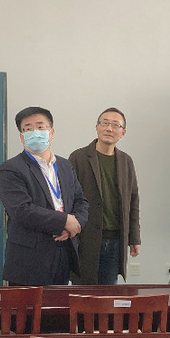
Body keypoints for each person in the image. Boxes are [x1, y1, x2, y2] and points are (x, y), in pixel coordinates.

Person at [0, 106, 89, 286]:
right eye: (28, 129)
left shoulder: (65, 165)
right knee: (28, 305)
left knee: (59, 303)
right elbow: (22, 210)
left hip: (64, 251)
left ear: (51, 133)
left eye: (40, 127)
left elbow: (81, 201)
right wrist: (64, 221)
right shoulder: (11, 168)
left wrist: (75, 224)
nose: (35, 132)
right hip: (29, 260)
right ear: (22, 137)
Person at [69, 108, 141, 285]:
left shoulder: (126, 161)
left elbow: (133, 201)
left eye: (116, 125)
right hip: (85, 239)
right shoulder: (78, 157)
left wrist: (134, 238)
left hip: (115, 241)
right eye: (105, 123)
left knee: (109, 293)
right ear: (97, 127)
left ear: (122, 133)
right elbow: (68, 198)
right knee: (82, 292)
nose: (109, 128)